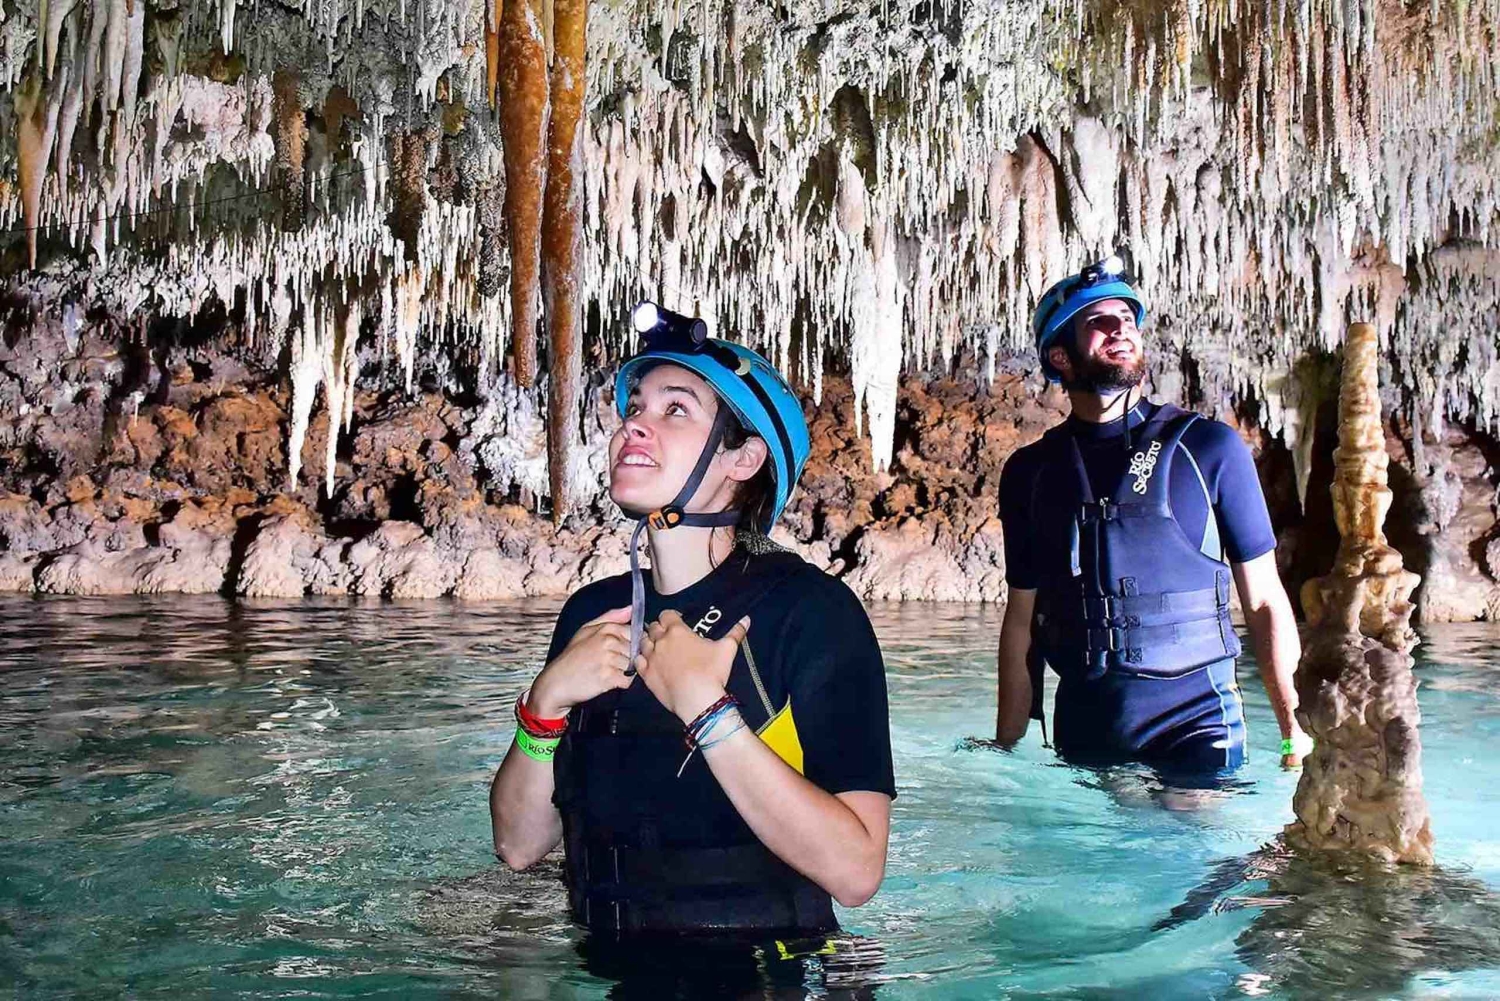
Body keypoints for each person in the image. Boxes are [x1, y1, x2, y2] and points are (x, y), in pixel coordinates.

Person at [489, 302, 895, 946]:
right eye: (634, 408)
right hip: (607, 969)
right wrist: (544, 706)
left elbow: (857, 872)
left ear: (744, 460)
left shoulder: (809, 612)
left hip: (765, 971)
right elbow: (518, 846)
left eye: (674, 410)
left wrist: (709, 713)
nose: (634, 426)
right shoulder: (592, 614)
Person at [994, 255, 1312, 775]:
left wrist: (1291, 730)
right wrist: (1005, 749)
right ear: (1060, 356)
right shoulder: (1031, 473)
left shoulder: (1209, 448)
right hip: (1086, 725)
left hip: (1196, 719)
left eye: (1127, 318)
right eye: (1099, 321)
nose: (1120, 329)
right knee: (1103, 830)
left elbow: (1263, 600)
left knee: (1189, 825)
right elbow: (1021, 621)